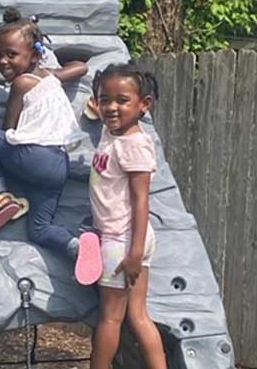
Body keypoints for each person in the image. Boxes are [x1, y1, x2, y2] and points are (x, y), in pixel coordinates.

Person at [0, 8, 102, 285]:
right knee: (39, 229)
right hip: (58, 165)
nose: (3, 61)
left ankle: (0, 198)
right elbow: (81, 68)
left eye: (11, 54)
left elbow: (10, 130)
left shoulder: (21, 83)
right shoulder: (51, 77)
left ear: (33, 55)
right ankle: (78, 247)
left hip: (35, 157)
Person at [89, 63, 167, 369]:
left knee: (110, 317)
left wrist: (134, 252)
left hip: (122, 241)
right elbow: (102, 110)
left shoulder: (133, 144)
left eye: (122, 100)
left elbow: (140, 198)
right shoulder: (114, 132)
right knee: (137, 315)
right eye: (104, 99)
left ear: (144, 105)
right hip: (129, 238)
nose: (111, 107)